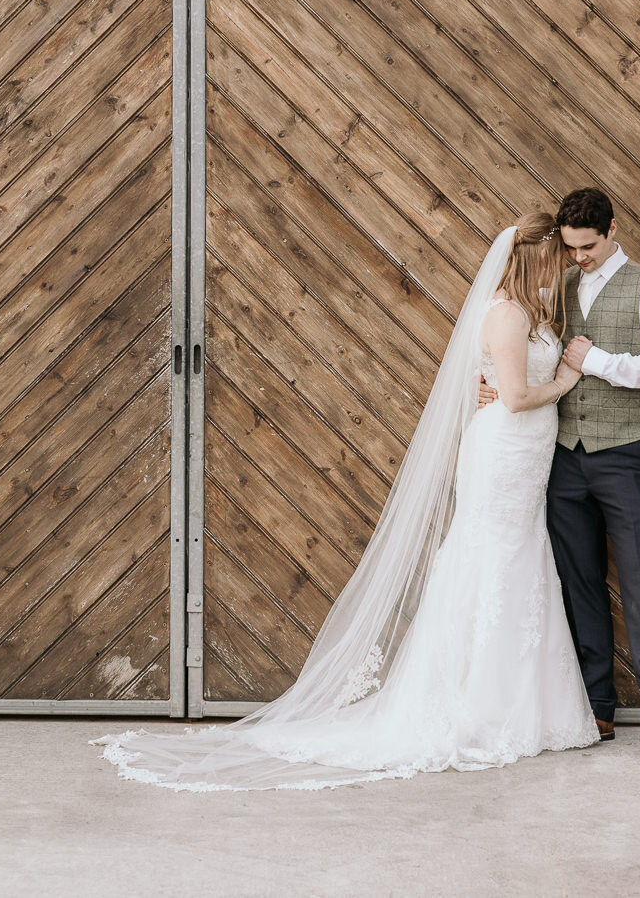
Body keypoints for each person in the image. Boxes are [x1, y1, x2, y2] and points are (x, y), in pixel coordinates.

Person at [90, 213, 600, 791]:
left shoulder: (535, 310)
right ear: (534, 255)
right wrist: (565, 377)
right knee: (491, 560)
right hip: (504, 452)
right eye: (557, 253)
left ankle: (522, 705)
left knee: (519, 560)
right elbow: (514, 396)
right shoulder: (507, 313)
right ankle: (478, 705)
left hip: (528, 458)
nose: (564, 262)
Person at [482, 187, 640, 768]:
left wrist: (599, 362)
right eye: (571, 248)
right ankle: (594, 708)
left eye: (587, 246)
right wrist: (493, 389)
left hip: (624, 455)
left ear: (612, 230)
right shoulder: (553, 288)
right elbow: (514, 350)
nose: (578, 257)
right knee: (578, 584)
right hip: (560, 457)